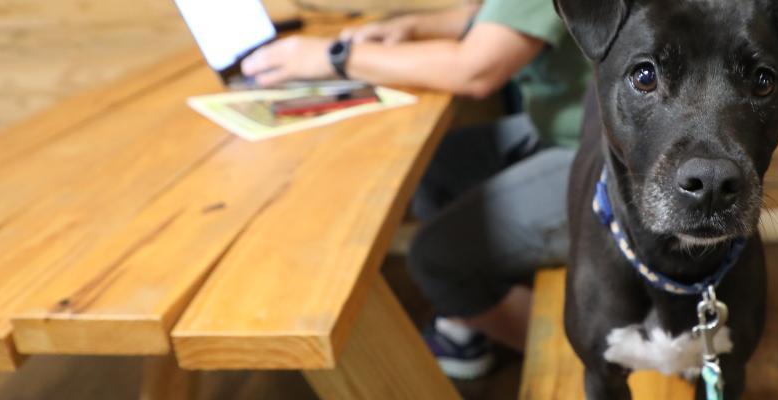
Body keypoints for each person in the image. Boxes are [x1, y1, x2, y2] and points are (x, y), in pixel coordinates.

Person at [242, 0, 589, 379]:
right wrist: (413, 27)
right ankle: (467, 324)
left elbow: (475, 70)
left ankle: (591, 360)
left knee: (434, 260)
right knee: (436, 168)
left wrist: (334, 57)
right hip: (566, 126)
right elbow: (497, 18)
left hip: (604, 156)